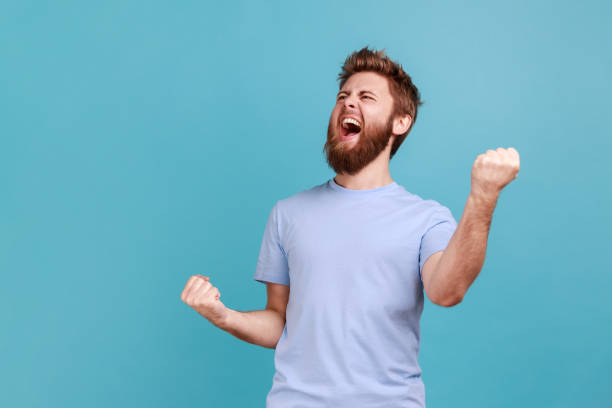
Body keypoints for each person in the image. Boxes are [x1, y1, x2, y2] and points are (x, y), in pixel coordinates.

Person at [180, 46, 520, 407]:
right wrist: (224, 315)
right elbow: (280, 322)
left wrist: (482, 197)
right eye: (343, 96)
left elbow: (445, 291)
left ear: (400, 122)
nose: (348, 103)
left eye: (366, 97)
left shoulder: (427, 218)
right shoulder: (288, 214)